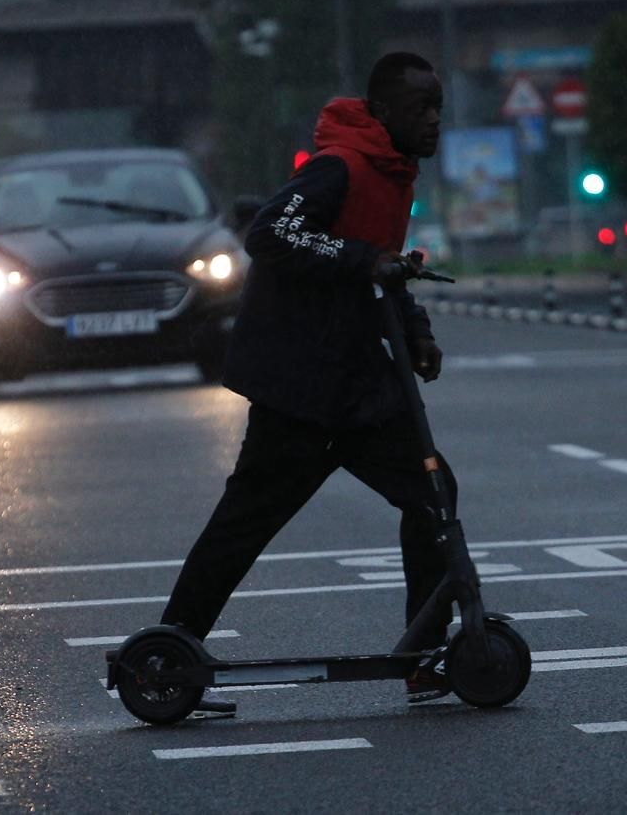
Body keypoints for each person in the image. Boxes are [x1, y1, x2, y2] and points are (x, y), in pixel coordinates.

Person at [159, 51, 453, 712]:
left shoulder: (394, 176)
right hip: (298, 387)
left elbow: (382, 271)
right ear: (382, 113)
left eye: (438, 107)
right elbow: (272, 232)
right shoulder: (339, 167)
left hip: (356, 386)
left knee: (435, 496)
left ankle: (424, 654)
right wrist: (359, 260)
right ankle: (169, 651)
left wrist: (417, 333)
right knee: (244, 523)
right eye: (419, 108)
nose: (433, 120)